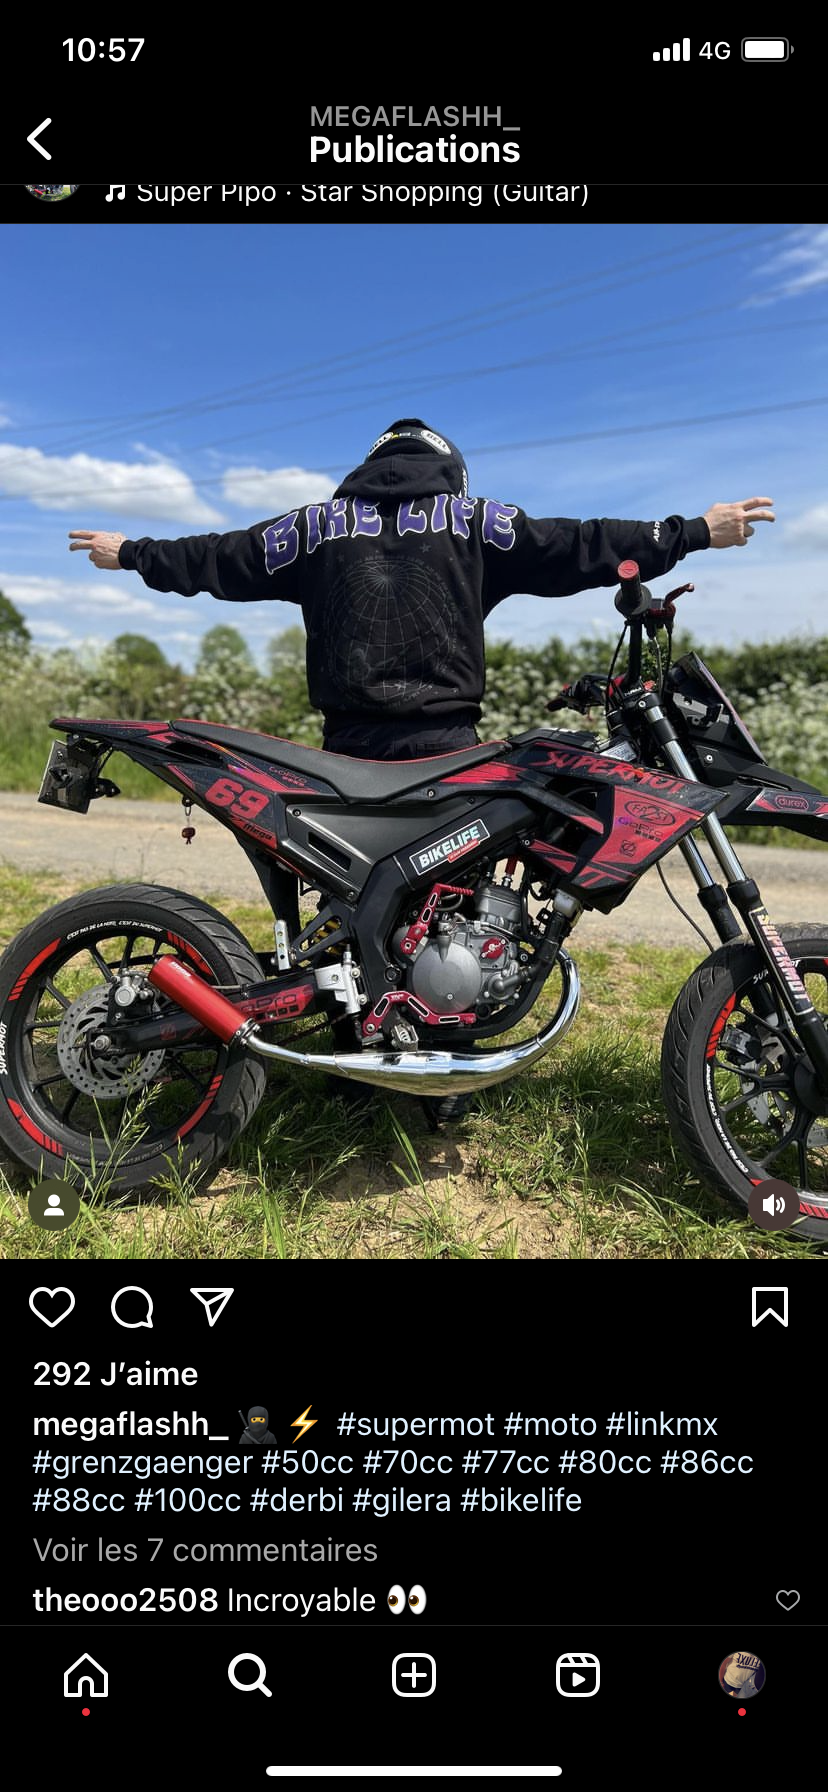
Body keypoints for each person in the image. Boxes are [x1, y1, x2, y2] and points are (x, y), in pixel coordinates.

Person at [69, 420, 774, 1121]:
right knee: (449, 905)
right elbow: (577, 544)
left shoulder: (314, 527)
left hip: (344, 748)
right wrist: (690, 532)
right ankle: (440, 1076)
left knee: (349, 907)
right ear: (451, 470)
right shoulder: (473, 519)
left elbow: (221, 558)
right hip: (445, 743)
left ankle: (358, 1067)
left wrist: (133, 552)